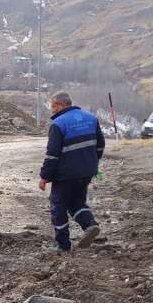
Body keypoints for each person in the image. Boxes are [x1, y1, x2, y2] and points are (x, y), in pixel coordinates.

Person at [39, 91, 105, 251]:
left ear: (61, 105)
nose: (52, 110)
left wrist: (44, 176)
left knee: (58, 205)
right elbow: (100, 145)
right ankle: (90, 225)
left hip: (65, 174)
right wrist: (91, 162)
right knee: (77, 202)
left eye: (53, 106)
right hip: (87, 171)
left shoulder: (58, 124)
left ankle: (63, 245)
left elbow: (52, 155)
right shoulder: (91, 118)